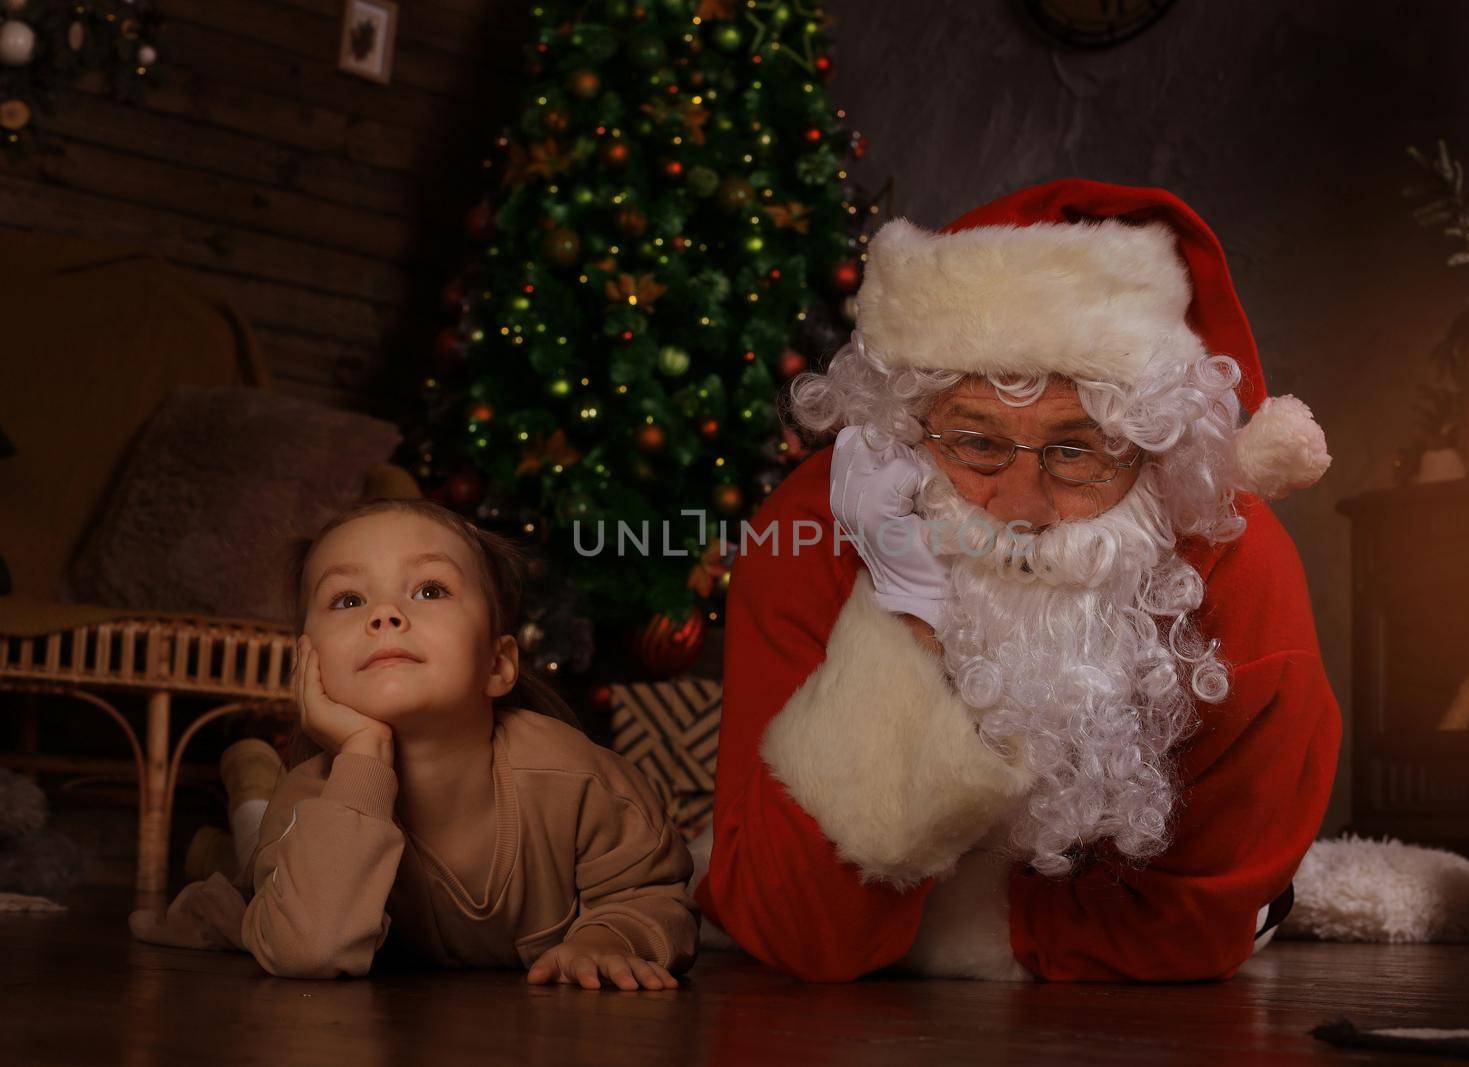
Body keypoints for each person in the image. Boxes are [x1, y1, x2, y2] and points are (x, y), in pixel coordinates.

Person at [691, 178, 1342, 982]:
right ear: (903, 435)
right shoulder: (813, 528)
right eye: (975, 440)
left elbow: (1196, 922)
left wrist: (942, 925)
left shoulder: (1240, 562)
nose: (1025, 507)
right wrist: (908, 618)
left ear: (1160, 453)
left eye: (1080, 448)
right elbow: (795, 926)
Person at [130, 499, 698, 988]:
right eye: (348, 601)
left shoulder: (580, 781)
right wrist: (360, 754)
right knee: (252, 885)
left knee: (255, 857)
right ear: (307, 667)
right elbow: (308, 948)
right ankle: (248, 810)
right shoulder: (311, 797)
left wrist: (607, 936)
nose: (385, 615)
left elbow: (652, 893)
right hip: (299, 838)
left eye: (430, 589)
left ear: (498, 664)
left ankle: (246, 802)